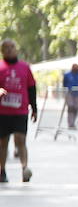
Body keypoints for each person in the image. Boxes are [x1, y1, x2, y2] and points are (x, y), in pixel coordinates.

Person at [0, 39, 38, 183]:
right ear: (2, 51)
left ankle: (25, 169)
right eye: (6, 48)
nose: (9, 50)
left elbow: (32, 88)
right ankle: (2, 171)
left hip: (20, 111)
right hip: (3, 112)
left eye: (12, 47)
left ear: (16, 49)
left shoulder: (24, 67)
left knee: (20, 140)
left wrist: (34, 108)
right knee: (3, 142)